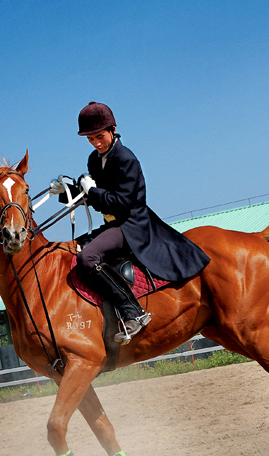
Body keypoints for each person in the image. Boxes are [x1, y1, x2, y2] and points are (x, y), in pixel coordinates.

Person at [50, 101, 210, 344]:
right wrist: (68, 191)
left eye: (99, 136)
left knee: (87, 258)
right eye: (90, 139)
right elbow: (97, 196)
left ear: (112, 130)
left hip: (132, 225)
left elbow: (120, 202)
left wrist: (91, 192)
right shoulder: (94, 159)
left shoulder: (126, 159)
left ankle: (132, 311)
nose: (96, 143)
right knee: (72, 250)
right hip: (113, 224)